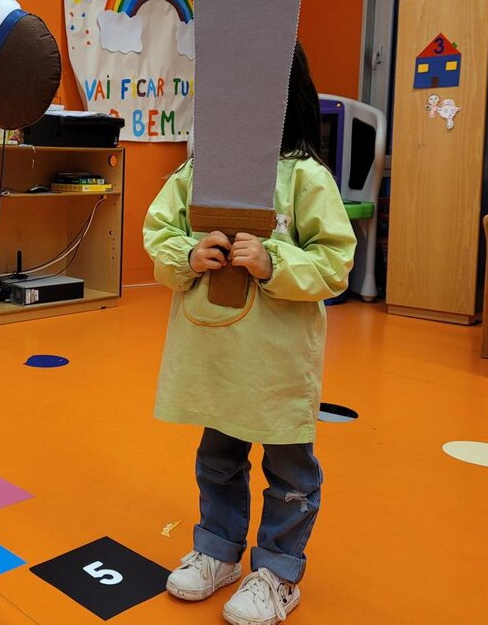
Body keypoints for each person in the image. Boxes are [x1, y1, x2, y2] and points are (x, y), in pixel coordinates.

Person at [143, 44, 356, 624]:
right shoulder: (198, 173)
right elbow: (159, 235)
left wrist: (274, 261)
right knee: (217, 457)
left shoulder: (305, 177)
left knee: (289, 469)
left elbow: (335, 263)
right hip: (215, 352)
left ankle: (279, 570)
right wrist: (190, 254)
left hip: (275, 363)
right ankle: (219, 550)